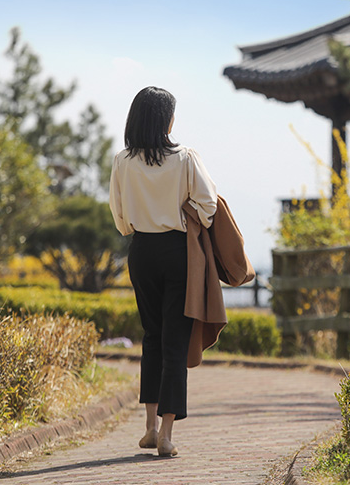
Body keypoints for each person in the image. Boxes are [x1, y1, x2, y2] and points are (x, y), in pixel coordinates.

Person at [109, 86, 217, 457]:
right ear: (166, 120)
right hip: (178, 251)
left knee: (151, 337)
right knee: (174, 343)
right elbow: (208, 205)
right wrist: (186, 215)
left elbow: (120, 217)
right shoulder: (185, 157)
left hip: (141, 251)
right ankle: (167, 435)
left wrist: (140, 223)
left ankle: (149, 428)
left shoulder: (123, 161)